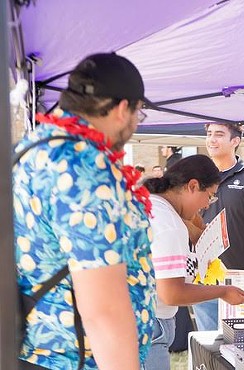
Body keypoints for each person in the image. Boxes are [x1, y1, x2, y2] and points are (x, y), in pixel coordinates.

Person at [13, 53, 154, 369]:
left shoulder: (33, 146)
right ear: (121, 109)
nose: (134, 124)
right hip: (77, 360)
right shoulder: (85, 168)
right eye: (138, 114)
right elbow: (103, 310)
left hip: (39, 351)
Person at [142, 155, 244, 370]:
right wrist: (223, 292)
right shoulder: (168, 224)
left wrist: (192, 224)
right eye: (209, 196)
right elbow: (171, 294)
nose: (205, 205)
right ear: (192, 186)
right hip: (151, 325)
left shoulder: (157, 206)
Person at [190, 122, 244, 331]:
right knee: (208, 349)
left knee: (241, 348)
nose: (212, 139)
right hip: (204, 280)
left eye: (219, 135)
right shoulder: (196, 180)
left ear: (235, 141)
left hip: (242, 280)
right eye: (209, 134)